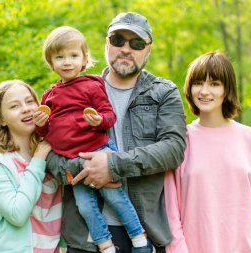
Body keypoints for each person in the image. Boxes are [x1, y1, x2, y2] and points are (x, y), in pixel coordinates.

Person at [45, 12, 186, 253]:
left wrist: (113, 166)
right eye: (118, 39)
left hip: (144, 231)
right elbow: (47, 152)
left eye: (137, 43)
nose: (126, 49)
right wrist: (82, 168)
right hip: (85, 237)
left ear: (148, 50)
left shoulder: (164, 92)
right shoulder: (73, 90)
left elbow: (173, 149)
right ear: (106, 44)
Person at [34, 26, 149, 253]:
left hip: (98, 150)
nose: (67, 62)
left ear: (84, 59)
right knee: (85, 207)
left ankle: (139, 236)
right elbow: (47, 134)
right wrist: (40, 124)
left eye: (73, 56)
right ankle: (104, 243)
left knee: (115, 197)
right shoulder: (49, 96)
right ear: (51, 62)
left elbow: (109, 115)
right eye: (60, 57)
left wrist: (98, 120)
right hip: (72, 161)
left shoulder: (91, 85)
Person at [164, 52, 251, 253]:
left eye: (214, 84)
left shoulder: (250, 138)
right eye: (198, 83)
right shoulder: (180, 139)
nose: (204, 91)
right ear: (189, 88)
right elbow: (170, 207)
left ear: (226, 89)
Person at [0, 80, 62, 253]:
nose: (26, 109)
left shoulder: (51, 152)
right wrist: (38, 159)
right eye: (14, 106)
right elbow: (16, 214)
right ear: (2, 120)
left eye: (29, 101)